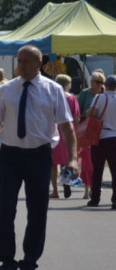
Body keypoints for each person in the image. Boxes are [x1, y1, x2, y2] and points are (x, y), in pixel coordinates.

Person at [0, 45, 77, 270]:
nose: (20, 65)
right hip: (10, 156)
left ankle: (28, 266)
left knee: (37, 212)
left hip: (39, 156)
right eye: (18, 61)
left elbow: (67, 127)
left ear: (38, 64)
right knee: (5, 211)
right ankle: (7, 266)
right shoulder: (7, 89)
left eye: (25, 61)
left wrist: (73, 158)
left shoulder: (53, 90)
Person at [84, 74, 116, 208]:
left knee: (97, 170)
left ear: (105, 85)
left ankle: (95, 198)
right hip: (115, 137)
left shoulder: (99, 97)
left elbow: (91, 114)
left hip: (101, 137)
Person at [50, 74, 80, 199]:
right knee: (66, 160)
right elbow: (76, 117)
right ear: (68, 84)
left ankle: (55, 190)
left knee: (53, 164)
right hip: (67, 131)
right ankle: (66, 182)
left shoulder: (52, 97)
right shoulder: (72, 98)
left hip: (54, 131)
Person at [76, 70, 103, 200]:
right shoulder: (85, 93)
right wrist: (87, 114)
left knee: (97, 162)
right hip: (87, 131)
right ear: (91, 82)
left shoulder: (104, 95)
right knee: (87, 161)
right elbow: (78, 111)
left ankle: (94, 187)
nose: (100, 84)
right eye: (97, 82)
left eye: (102, 82)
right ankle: (87, 189)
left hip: (101, 131)